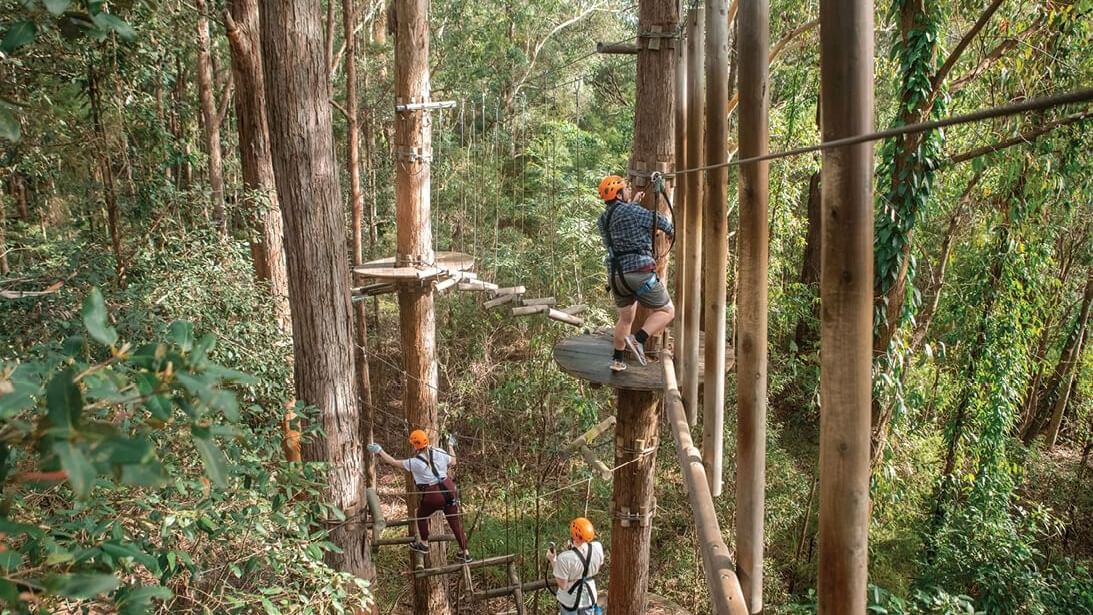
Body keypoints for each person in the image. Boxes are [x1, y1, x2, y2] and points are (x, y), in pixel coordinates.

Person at [597, 175, 676, 372]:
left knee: (625, 319)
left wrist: (632, 204)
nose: (629, 191)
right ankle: (638, 339)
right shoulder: (633, 211)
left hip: (616, 277)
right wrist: (669, 231)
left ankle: (617, 360)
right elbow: (662, 223)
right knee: (668, 311)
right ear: (620, 194)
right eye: (626, 189)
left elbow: (620, 225)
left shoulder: (603, 219)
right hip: (639, 272)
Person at [368, 430, 471, 563]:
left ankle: (424, 543)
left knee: (421, 516)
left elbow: (393, 462)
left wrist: (379, 451)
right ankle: (465, 552)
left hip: (434, 494)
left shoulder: (414, 462)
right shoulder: (439, 452)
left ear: (414, 445)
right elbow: (454, 461)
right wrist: (450, 445)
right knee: (454, 522)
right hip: (450, 488)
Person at [547, 517, 605, 615]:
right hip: (589, 598)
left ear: (574, 535)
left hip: (570, 602)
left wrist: (553, 560)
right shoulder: (598, 547)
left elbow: (563, 585)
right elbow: (599, 565)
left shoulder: (564, 558)